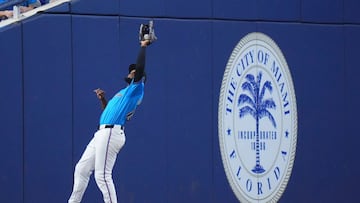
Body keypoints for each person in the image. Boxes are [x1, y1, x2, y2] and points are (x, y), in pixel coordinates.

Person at [68, 22, 157, 203]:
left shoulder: (137, 89)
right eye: (131, 70)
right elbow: (109, 112)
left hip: (112, 132)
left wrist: (143, 46)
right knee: (82, 169)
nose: (132, 71)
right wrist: (103, 100)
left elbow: (139, 69)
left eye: (134, 71)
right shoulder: (123, 93)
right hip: (103, 131)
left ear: (140, 77)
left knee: (102, 176)